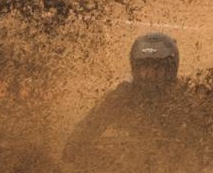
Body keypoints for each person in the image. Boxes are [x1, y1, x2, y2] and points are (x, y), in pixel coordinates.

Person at [63, 31, 190, 162]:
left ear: (171, 71)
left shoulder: (185, 99)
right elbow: (73, 146)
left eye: (157, 69)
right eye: (145, 69)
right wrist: (113, 163)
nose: (150, 75)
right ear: (135, 69)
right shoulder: (121, 97)